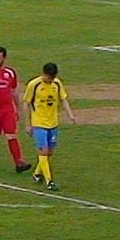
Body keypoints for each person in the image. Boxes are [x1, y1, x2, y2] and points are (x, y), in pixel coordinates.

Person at [23, 62, 76, 190]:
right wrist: (27, 124)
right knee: (44, 151)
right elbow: (26, 103)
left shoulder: (57, 84)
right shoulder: (34, 85)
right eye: (49, 77)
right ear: (44, 74)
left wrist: (70, 115)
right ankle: (49, 181)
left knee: (49, 152)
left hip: (53, 123)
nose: (50, 80)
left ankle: (36, 174)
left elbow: (63, 99)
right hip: (39, 123)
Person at [0, 46, 32, 173]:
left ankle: (19, 162)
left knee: (11, 134)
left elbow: (15, 91)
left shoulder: (10, 73)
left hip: (7, 110)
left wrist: (18, 109)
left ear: (4, 58)